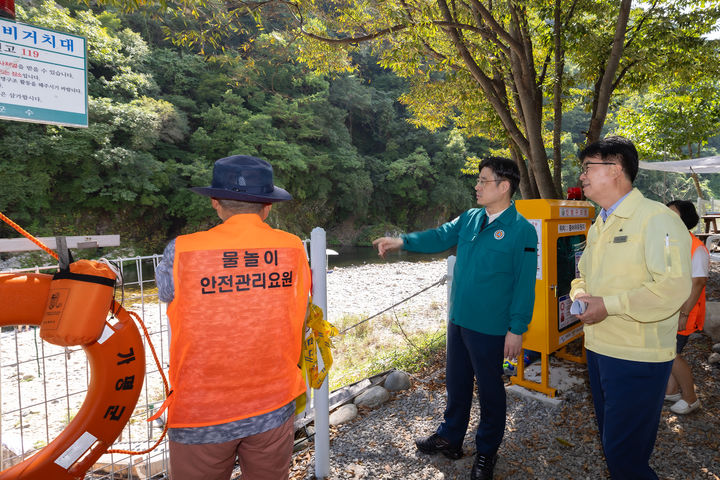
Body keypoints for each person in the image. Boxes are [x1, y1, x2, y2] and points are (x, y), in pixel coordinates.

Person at [373, 157, 537, 480]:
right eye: (477, 180)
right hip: (459, 320)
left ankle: (487, 452)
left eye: (483, 180)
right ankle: (451, 436)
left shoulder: (521, 231)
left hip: (491, 329)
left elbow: (524, 286)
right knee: (457, 383)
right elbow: (439, 235)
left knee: (490, 392)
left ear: (504, 187)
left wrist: (516, 329)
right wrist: (403, 241)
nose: (476, 186)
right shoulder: (471, 218)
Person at [154, 155, 311, 480]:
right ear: (267, 207)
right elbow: (302, 303)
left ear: (215, 203)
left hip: (201, 410)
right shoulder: (292, 248)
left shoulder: (181, 250)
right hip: (273, 401)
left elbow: (168, 296)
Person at [570, 136, 692, 480]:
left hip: (637, 355)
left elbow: (673, 287)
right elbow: (584, 274)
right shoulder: (601, 222)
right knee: (615, 446)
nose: (582, 176)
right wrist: (580, 291)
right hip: (598, 348)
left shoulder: (656, 219)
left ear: (616, 169)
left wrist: (609, 305)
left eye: (588, 168)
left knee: (625, 456)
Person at [664, 199, 707, 414]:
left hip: (684, 311)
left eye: (673, 214)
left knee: (670, 353)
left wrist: (684, 313)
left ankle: (691, 398)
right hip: (670, 309)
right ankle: (671, 391)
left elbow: (698, 283)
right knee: (670, 350)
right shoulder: (671, 242)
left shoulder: (696, 248)